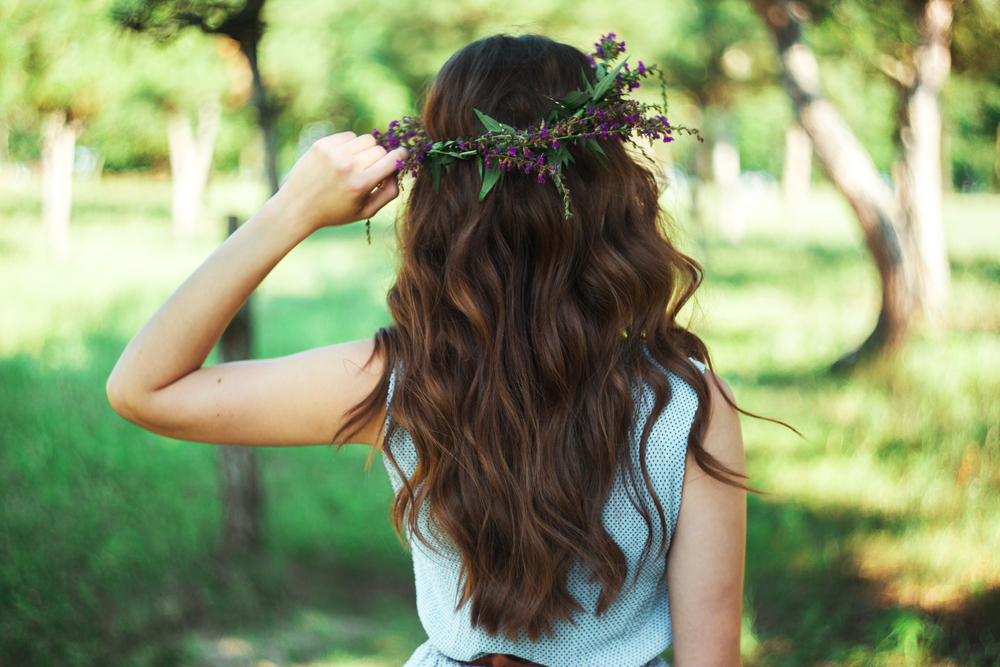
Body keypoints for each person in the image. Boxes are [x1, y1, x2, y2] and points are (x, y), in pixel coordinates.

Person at [108, 33, 747, 667]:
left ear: (440, 196)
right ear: (610, 186)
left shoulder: (400, 383)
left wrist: (290, 211)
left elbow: (143, 389)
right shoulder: (689, 404)